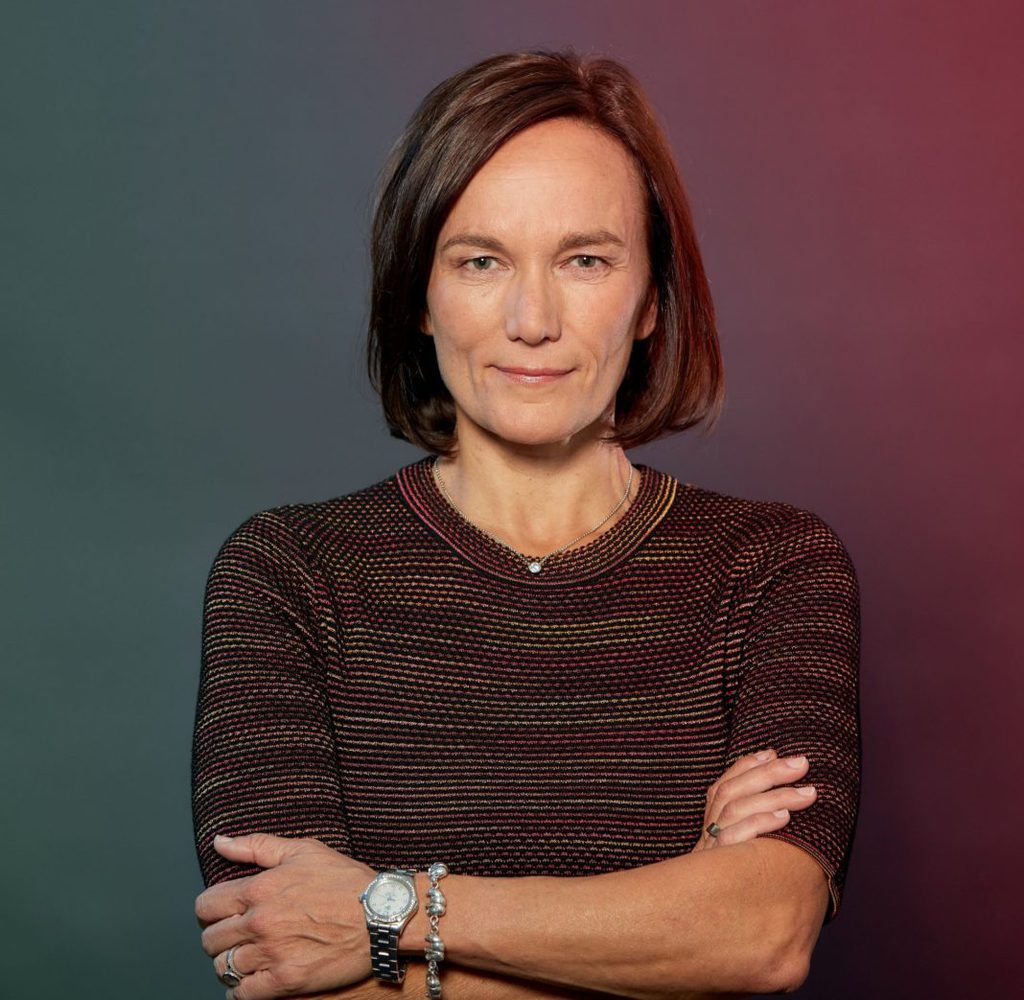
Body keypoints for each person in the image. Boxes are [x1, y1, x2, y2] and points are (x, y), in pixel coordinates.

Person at [192, 48, 861, 1000]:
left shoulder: (775, 567)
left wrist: (390, 915)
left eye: (585, 260)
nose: (532, 319)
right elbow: (290, 962)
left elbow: (762, 937)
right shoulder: (287, 573)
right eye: (481, 261)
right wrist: (674, 922)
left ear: (651, 302)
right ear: (420, 297)